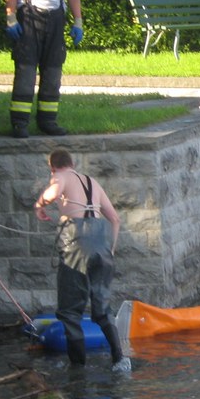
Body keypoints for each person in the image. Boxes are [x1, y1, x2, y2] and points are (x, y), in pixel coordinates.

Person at [34, 148, 130, 370]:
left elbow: (52, 193)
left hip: (76, 242)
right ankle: (120, 359)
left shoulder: (60, 176)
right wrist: (111, 249)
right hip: (101, 245)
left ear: (52, 167)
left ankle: (77, 369)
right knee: (102, 307)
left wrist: (39, 205)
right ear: (73, 163)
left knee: (70, 310)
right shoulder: (92, 182)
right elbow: (115, 219)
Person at [4, 0, 84, 139]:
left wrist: (78, 22)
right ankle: (20, 123)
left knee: (53, 71)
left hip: (56, 20)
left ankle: (48, 121)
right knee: (26, 70)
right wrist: (11, 18)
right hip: (29, 19)